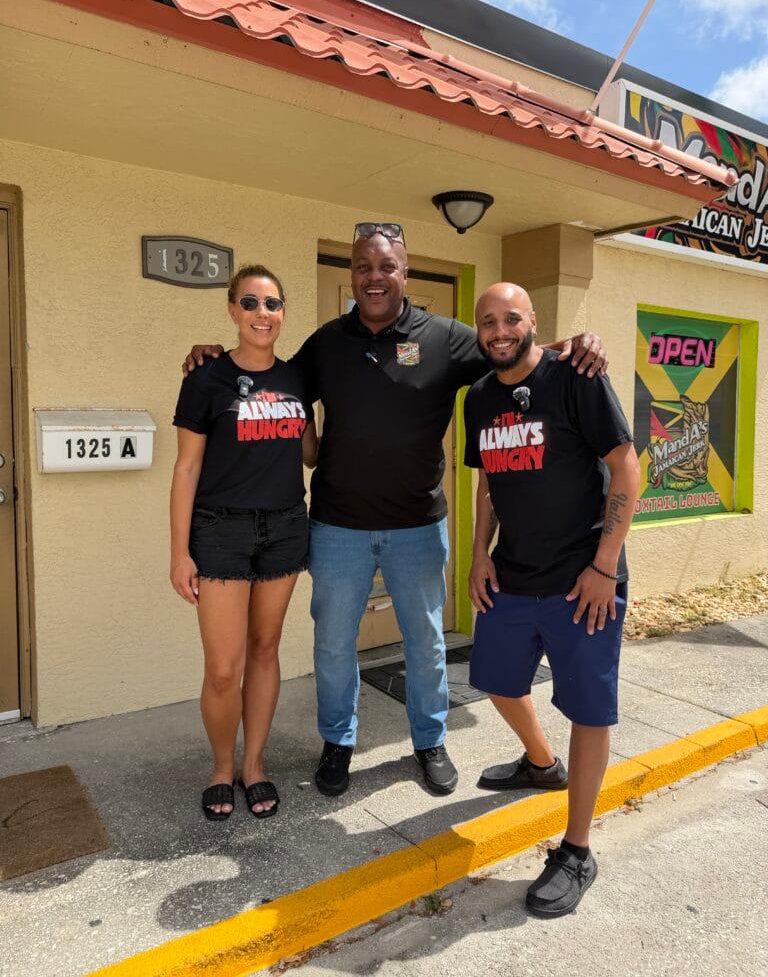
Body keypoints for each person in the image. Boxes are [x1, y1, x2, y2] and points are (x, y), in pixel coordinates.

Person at [183, 224, 606, 798]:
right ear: (353, 275)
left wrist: (573, 344)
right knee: (333, 645)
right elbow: (267, 373)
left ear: (404, 273)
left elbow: (512, 349)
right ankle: (338, 743)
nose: (374, 277)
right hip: (337, 526)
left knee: (425, 643)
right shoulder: (327, 343)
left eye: (386, 267)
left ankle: (430, 741)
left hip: (417, 526)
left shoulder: (445, 337)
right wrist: (210, 357)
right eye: (363, 267)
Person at [464, 282, 640, 917]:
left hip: (583, 579)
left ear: (533, 321)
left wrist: (605, 566)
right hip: (513, 574)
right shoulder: (478, 397)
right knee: (496, 681)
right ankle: (541, 763)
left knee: (588, 711)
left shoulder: (576, 377)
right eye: (489, 321)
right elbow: (488, 481)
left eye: (512, 318)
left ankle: (577, 849)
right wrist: (480, 552)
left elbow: (627, 468)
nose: (500, 330)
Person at [171, 264, 317, 820]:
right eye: (251, 303)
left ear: (283, 313)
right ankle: (220, 768)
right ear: (233, 310)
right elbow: (186, 469)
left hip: (285, 527)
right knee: (222, 668)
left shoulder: (297, 379)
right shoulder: (205, 378)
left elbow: (311, 453)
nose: (262, 313)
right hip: (219, 531)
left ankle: (254, 765)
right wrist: (179, 551)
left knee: (265, 649)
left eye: (272, 304)